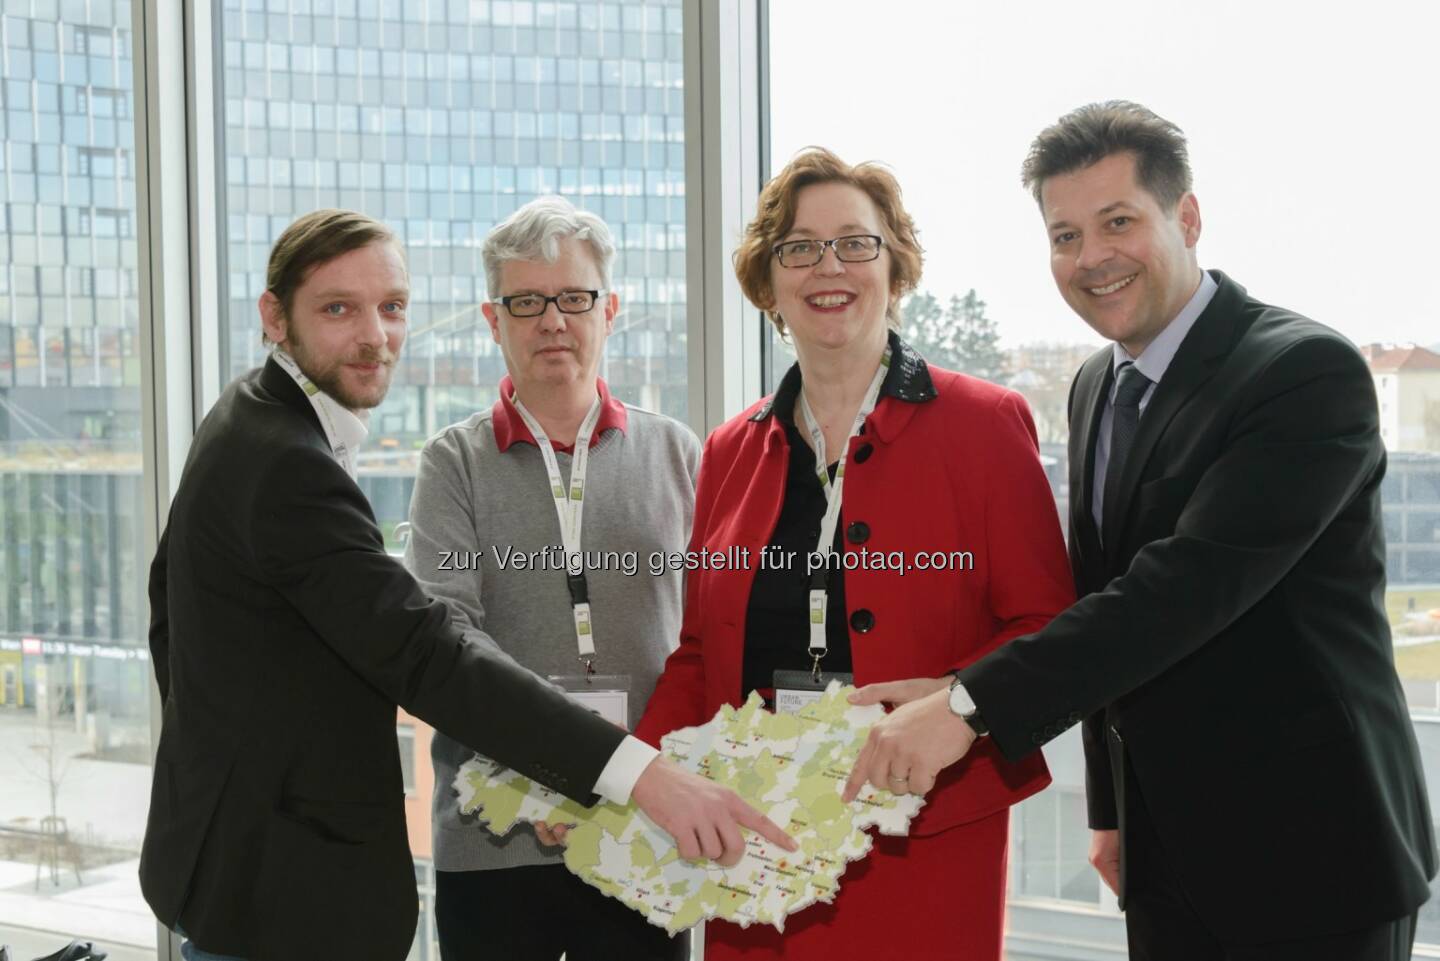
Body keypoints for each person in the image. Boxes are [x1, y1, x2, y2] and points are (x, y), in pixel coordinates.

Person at [844, 101, 1437, 959]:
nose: (1091, 258)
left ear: (1186, 217)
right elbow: (1105, 593)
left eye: (1117, 222)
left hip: (1314, 855)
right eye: (1064, 235)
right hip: (1166, 855)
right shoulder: (1094, 384)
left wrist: (967, 707)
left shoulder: (1305, 372)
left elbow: (1179, 591)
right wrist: (1112, 810)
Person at [141, 209, 794, 961]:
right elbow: (431, 648)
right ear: (274, 318)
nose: (373, 334)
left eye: (390, 307)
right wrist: (620, 775)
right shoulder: (336, 459)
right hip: (315, 875)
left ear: (610, 308)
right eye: (336, 308)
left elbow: (172, 615)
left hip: (278, 865)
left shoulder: (253, 421)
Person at [634, 148, 1075, 960]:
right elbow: (699, 655)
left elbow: (1046, 626)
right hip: (755, 836)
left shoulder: (985, 424)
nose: (827, 265)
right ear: (768, 284)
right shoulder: (729, 449)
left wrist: (956, 702)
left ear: (895, 265)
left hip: (923, 833)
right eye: (798, 247)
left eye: (855, 243)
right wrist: (629, 777)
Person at [403, 196, 695, 961]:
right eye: (526, 302)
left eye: (573, 297)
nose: (552, 320)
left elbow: (705, 640)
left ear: (612, 308)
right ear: (492, 319)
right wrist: (549, 779)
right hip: (494, 834)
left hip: (644, 830)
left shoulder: (678, 453)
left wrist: (625, 783)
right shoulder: (452, 462)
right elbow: (448, 635)